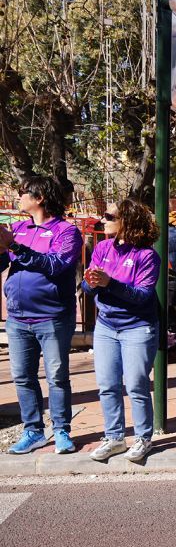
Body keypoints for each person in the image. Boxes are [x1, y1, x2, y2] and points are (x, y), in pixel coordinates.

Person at [0, 176, 83, 455]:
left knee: (57, 376)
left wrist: (14, 247)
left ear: (40, 198)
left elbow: (56, 265)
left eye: (23, 192)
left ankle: (61, 430)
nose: (19, 197)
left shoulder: (66, 232)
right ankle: (33, 431)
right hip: (17, 318)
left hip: (52, 317)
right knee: (23, 376)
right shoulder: (19, 228)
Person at [82, 200, 162, 463]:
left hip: (137, 327)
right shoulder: (103, 247)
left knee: (136, 384)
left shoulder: (147, 256)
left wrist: (109, 283)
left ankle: (143, 438)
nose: (102, 220)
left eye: (108, 216)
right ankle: (115, 437)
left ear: (126, 222)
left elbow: (141, 296)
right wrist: (91, 283)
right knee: (107, 385)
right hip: (106, 326)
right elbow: (88, 288)